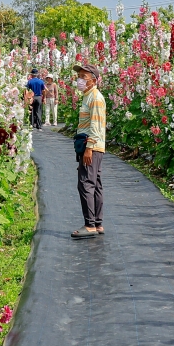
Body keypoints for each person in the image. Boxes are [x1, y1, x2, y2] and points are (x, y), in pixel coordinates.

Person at [70, 64, 105, 239]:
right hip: (90, 146)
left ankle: (90, 225)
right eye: (79, 76)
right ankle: (97, 223)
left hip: (92, 147)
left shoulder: (95, 98)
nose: (80, 80)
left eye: (84, 76)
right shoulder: (87, 96)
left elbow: (96, 126)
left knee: (85, 184)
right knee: (95, 184)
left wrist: (89, 149)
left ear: (93, 79)